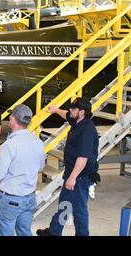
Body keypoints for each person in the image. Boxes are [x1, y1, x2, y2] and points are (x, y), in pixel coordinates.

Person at [37, 97, 99, 236]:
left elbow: (83, 157)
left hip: (80, 177)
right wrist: (55, 110)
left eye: (73, 109)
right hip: (73, 173)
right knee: (65, 204)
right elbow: (66, 114)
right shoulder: (77, 121)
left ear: (82, 112)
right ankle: (54, 231)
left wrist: (72, 178)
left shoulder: (87, 129)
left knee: (79, 211)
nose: (70, 110)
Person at [0, 104, 45, 236]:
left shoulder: (9, 145)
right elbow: (40, 167)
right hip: (29, 197)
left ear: (13, 119)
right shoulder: (38, 142)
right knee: (24, 232)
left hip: (10, 199)